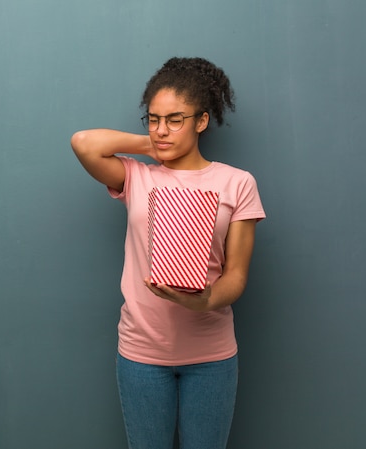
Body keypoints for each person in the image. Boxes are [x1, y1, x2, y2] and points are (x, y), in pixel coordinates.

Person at [70, 57, 266, 449]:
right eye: (154, 119)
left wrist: (204, 300)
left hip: (211, 355)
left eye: (175, 119)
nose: (162, 129)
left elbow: (237, 276)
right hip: (142, 353)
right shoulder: (137, 175)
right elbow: (84, 143)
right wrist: (154, 146)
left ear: (202, 121)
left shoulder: (237, 183)